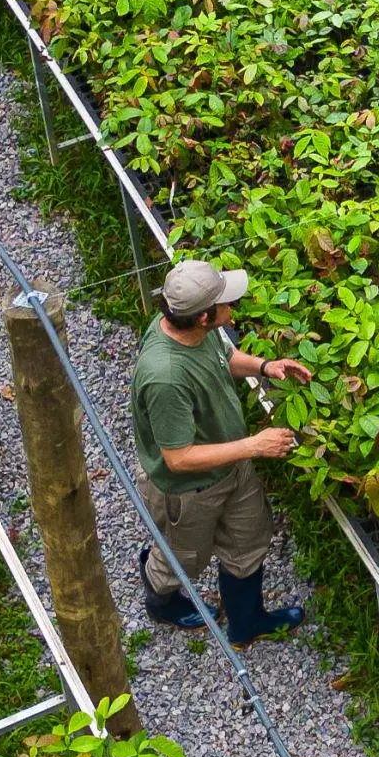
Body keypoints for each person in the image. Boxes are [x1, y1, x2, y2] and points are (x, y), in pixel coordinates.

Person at [129, 259, 315, 644]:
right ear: (203, 317)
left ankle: (246, 624)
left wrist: (265, 366)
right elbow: (177, 459)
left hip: (233, 467)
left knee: (249, 541)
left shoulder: (195, 330)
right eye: (226, 303)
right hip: (188, 490)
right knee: (183, 560)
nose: (233, 306)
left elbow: (224, 359)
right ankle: (161, 601)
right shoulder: (165, 376)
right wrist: (255, 446)